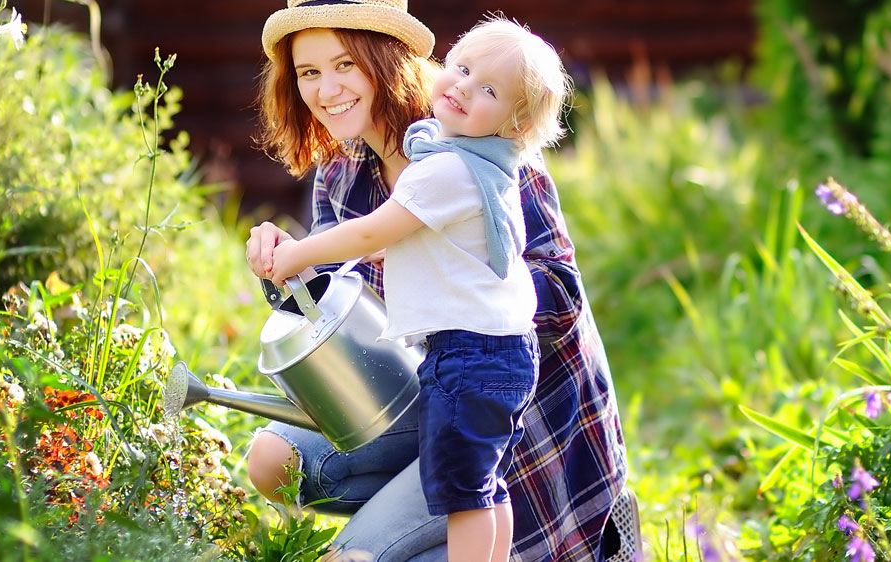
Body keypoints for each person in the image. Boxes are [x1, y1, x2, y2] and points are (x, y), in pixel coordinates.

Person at [246, 1, 632, 560]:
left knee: (360, 558)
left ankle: (433, 537)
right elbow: (340, 311)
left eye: (345, 64)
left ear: (386, 59)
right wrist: (295, 269)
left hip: (513, 412)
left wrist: (441, 264)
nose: (327, 89)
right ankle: (411, 517)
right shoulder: (341, 171)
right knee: (272, 459)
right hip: (426, 390)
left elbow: (562, 295)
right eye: (309, 73)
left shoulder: (482, 140)